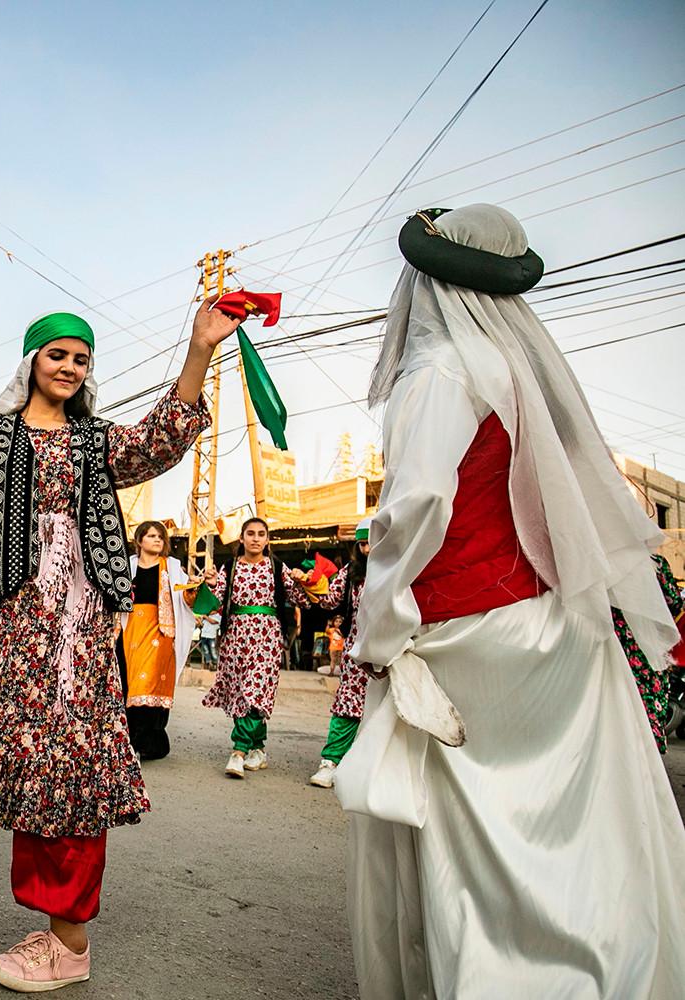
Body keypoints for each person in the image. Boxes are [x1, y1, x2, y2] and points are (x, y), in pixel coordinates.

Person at [337, 203, 685, 997]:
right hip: (551, 626)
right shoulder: (517, 371)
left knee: (482, 858)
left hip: (471, 636)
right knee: (568, 843)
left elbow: (417, 505)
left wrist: (382, 630)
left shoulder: (440, 371)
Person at [0, 280, 234, 992]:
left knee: (69, 761)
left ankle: (63, 939)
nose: (71, 368)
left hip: (78, 634)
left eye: (82, 360)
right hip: (1, 631)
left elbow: (162, 439)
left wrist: (199, 349)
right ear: (31, 362)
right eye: (58, 355)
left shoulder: (96, 441)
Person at [201, 517, 300, 778]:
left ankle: (238, 751)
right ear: (242, 538)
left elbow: (300, 596)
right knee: (239, 692)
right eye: (250, 533)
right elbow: (214, 600)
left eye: (261, 534)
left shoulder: (277, 567)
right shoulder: (230, 567)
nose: (255, 538)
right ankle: (258, 748)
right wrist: (210, 583)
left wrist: (304, 578)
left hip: (267, 638)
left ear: (267, 540)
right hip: (235, 637)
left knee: (255, 690)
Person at [298, 520, 369, 789]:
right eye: (362, 544)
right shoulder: (353, 572)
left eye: (372, 541)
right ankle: (330, 762)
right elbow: (328, 599)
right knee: (348, 706)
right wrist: (311, 582)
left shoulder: (400, 566)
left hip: (395, 650)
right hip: (357, 650)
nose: (367, 549)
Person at [116, 520, 191, 760]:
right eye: (151, 535)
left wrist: (200, 588)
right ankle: (135, 742)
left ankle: (137, 744)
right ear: (139, 541)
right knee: (126, 685)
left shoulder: (172, 567)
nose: (157, 539)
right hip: (128, 632)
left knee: (147, 686)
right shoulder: (125, 567)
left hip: (159, 632)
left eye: (160, 536)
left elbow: (186, 595)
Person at [612, 553, 684, 753]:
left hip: (614, 647)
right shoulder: (655, 563)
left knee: (617, 711)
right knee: (647, 712)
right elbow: (675, 604)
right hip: (648, 653)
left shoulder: (603, 560)